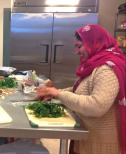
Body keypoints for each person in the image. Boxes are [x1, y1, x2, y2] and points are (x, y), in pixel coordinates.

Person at [35, 24, 126, 154]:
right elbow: (82, 90)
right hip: (86, 141)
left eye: (79, 46)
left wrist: (59, 93)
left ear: (95, 43)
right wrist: (55, 93)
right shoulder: (96, 64)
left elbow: (97, 106)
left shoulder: (107, 69)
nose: (76, 52)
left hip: (100, 147)